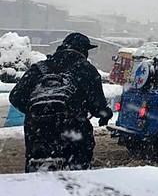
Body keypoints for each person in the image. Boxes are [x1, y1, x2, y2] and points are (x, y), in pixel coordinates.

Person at [10, 32, 113, 172]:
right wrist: (105, 114)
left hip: (37, 133)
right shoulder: (87, 70)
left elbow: (15, 96)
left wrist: (36, 112)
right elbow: (98, 105)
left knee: (36, 173)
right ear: (83, 50)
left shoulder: (39, 68)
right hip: (73, 133)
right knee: (76, 174)